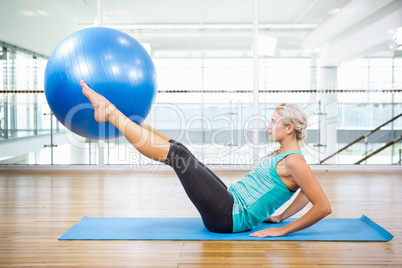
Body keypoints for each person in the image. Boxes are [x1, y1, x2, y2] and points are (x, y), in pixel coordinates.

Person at [80, 80, 332, 237]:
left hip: (229, 216)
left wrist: (283, 229)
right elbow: (306, 191)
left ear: (289, 128)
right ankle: (136, 124)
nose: (269, 126)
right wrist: (279, 215)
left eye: (274, 122)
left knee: (177, 156)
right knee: (182, 150)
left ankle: (111, 113)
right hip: (230, 202)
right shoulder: (286, 156)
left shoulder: (295, 161)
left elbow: (322, 205)